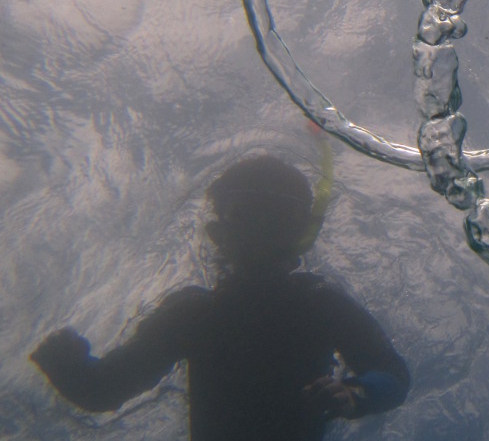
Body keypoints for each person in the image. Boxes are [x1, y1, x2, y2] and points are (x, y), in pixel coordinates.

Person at [30, 151, 410, 441]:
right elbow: (102, 391)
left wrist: (355, 393)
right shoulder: (193, 314)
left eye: (277, 218)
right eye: (247, 216)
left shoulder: (319, 304)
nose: (262, 234)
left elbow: (393, 376)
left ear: (300, 234)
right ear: (218, 234)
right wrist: (66, 368)